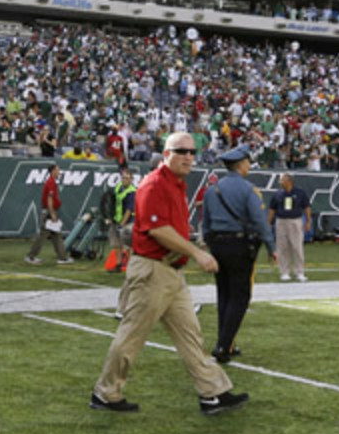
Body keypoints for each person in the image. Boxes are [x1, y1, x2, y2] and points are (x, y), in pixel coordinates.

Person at [90, 132, 249, 415]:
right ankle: (105, 392)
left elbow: (172, 227)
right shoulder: (153, 184)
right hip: (153, 270)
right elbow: (158, 230)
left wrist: (193, 246)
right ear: (166, 154)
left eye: (192, 151)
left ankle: (212, 393)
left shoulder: (177, 184)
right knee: (131, 337)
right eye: (182, 151)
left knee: (191, 337)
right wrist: (197, 252)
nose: (189, 156)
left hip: (172, 272)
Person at [202, 145, 276, 364]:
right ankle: (224, 345)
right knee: (239, 296)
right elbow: (260, 221)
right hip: (240, 245)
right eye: (247, 162)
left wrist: (208, 244)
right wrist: (271, 247)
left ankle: (226, 342)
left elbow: (205, 223)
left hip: (217, 244)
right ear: (241, 164)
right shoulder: (248, 189)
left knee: (223, 295)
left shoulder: (212, 190)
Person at [24, 162, 73, 265]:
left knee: (56, 235)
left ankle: (62, 257)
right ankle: (31, 256)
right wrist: (52, 213)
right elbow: (49, 198)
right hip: (49, 212)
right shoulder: (50, 182)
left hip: (50, 211)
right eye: (58, 170)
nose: (59, 172)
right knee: (43, 236)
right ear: (53, 171)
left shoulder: (52, 182)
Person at [268, 173, 312, 282]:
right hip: (281, 221)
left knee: (297, 247)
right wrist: (268, 222)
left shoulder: (300, 193)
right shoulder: (277, 194)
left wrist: (308, 221)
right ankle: (284, 272)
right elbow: (272, 209)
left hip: (295, 221)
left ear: (289, 181)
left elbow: (306, 207)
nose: (281, 183)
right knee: (282, 247)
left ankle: (300, 272)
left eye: (283, 180)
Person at [106, 166, 136, 273]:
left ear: (132, 180)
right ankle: (118, 265)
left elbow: (129, 209)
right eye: (123, 178)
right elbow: (113, 202)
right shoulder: (118, 187)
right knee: (116, 244)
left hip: (128, 222)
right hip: (116, 219)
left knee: (128, 246)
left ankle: (133, 267)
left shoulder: (132, 192)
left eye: (127, 178)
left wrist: (122, 224)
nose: (124, 180)